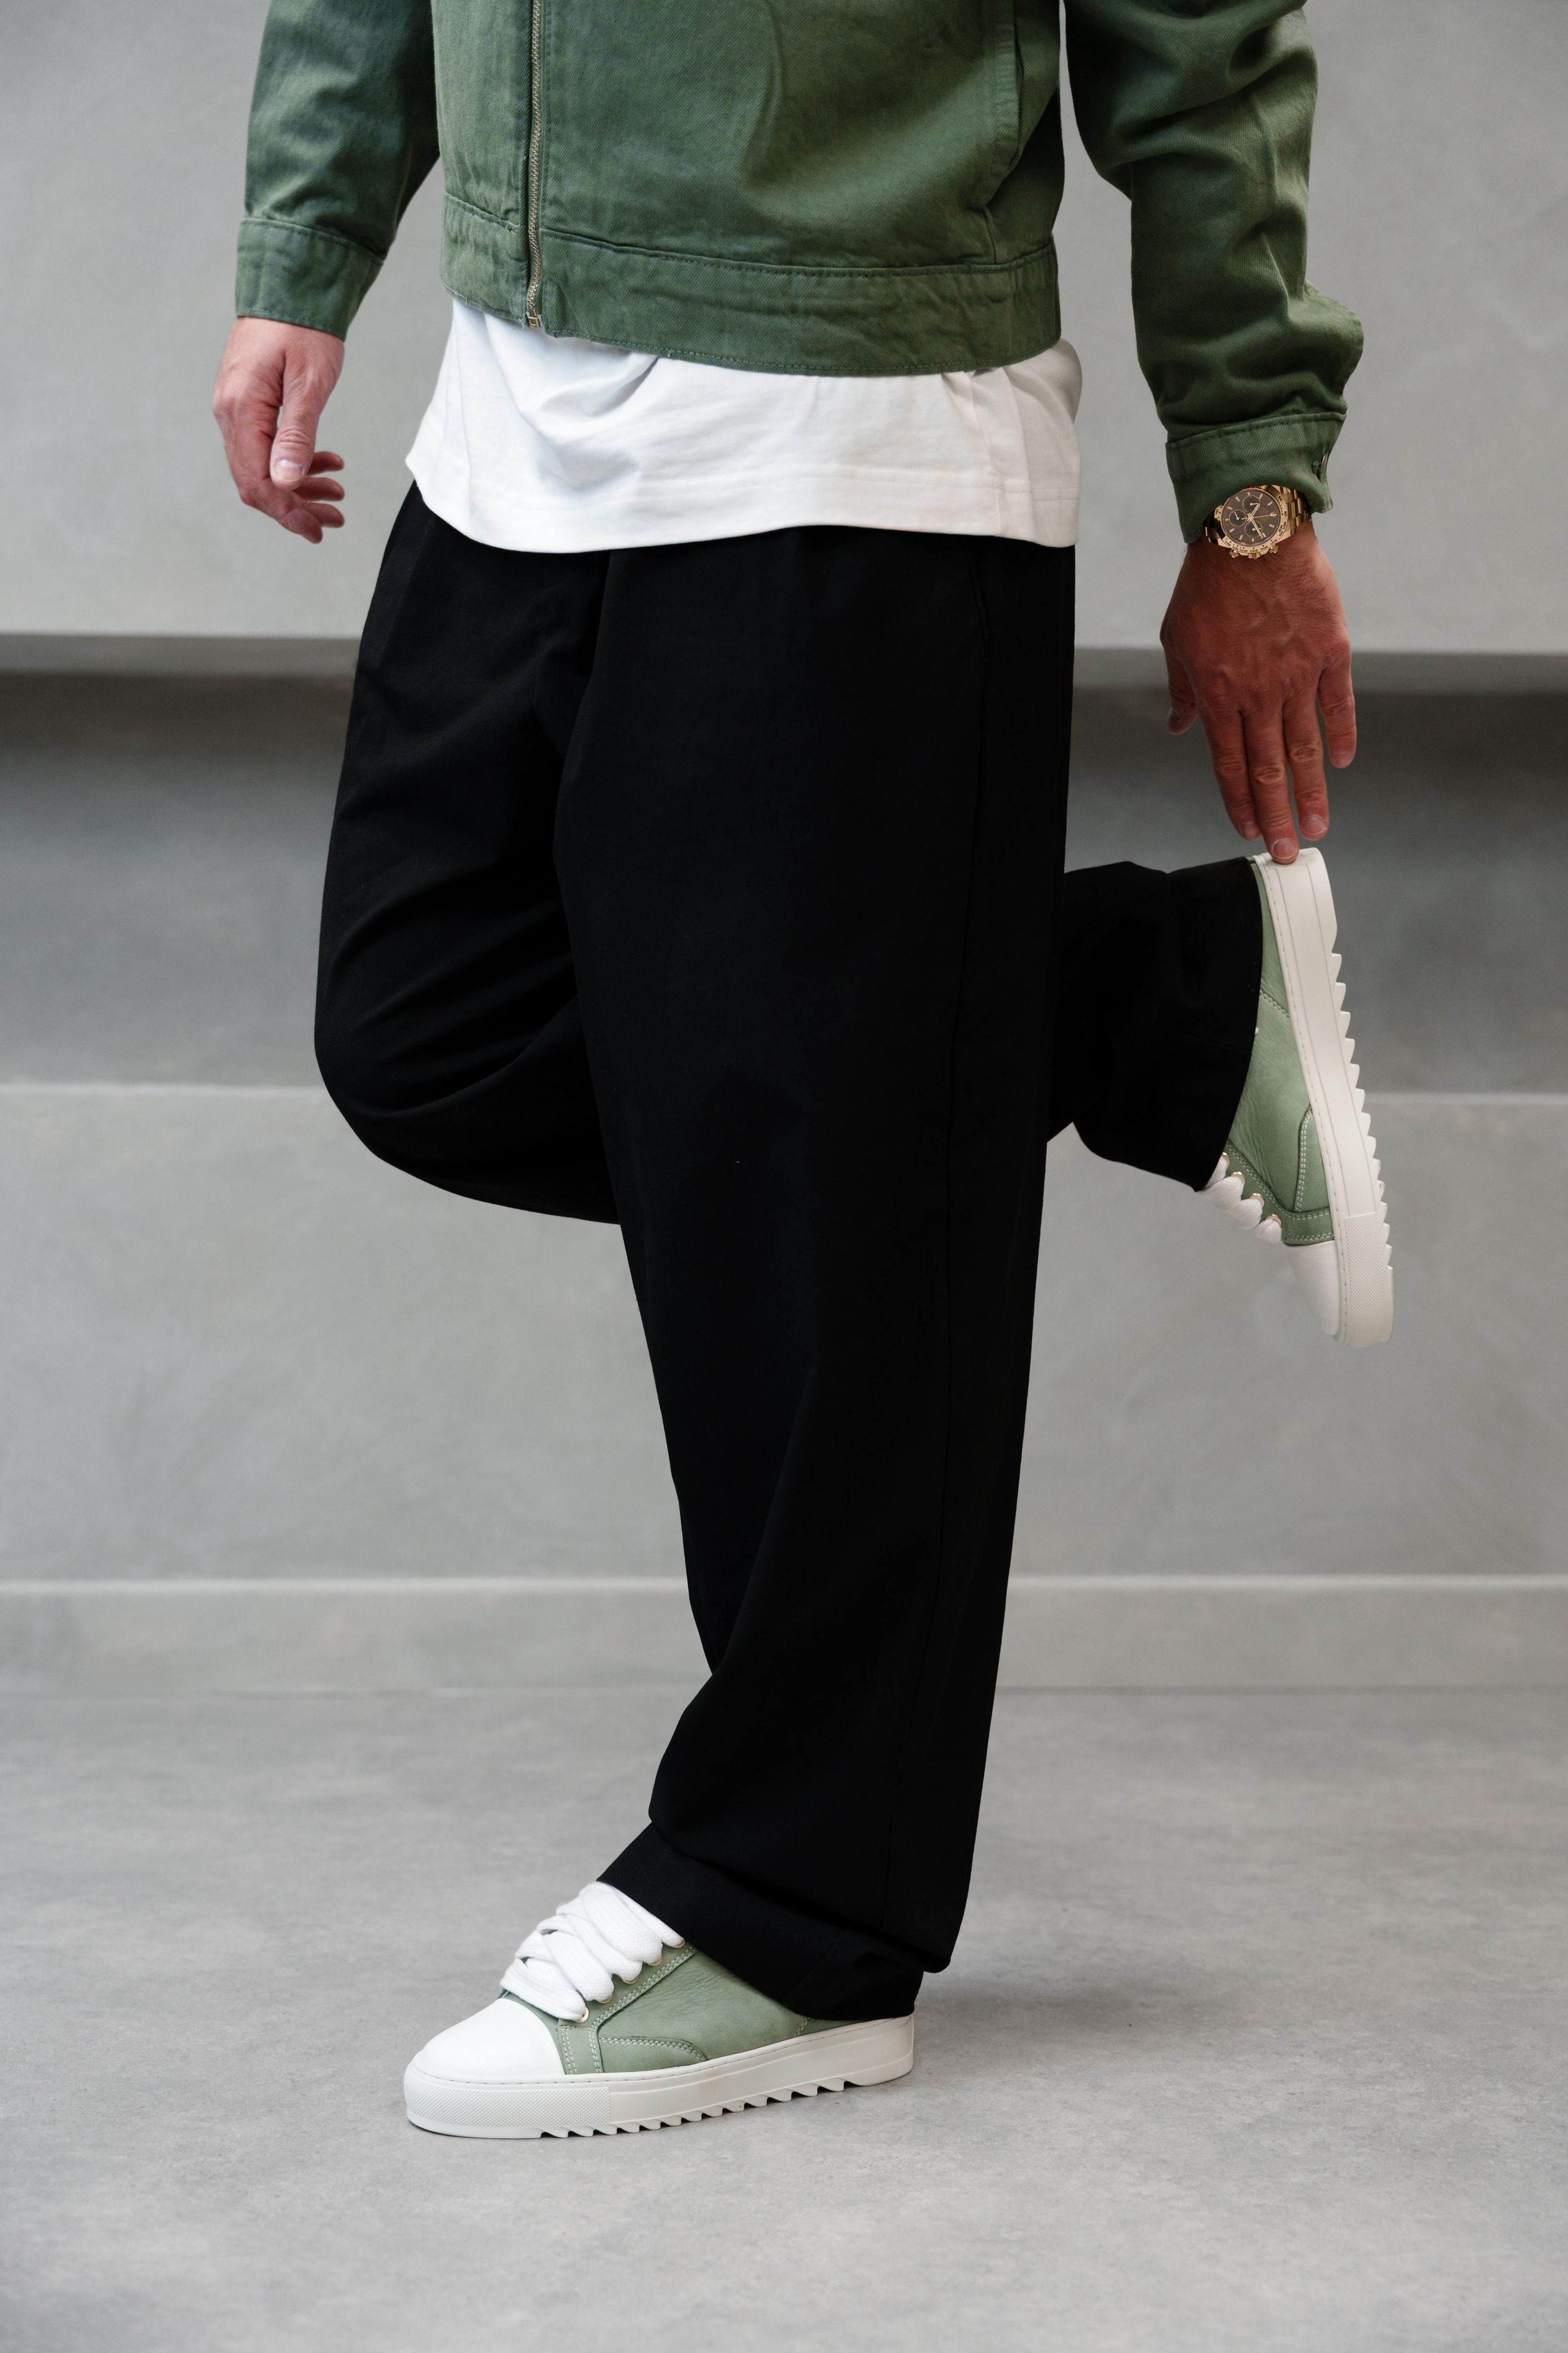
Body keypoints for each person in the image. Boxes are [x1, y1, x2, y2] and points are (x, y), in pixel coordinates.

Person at [215, 0, 1390, 2140]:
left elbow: (1201, 38)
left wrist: (1248, 484)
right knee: (429, 1023)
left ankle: (797, 1915)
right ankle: (1142, 999)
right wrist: (308, 239)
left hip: (850, 411)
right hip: (519, 398)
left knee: (814, 1204)